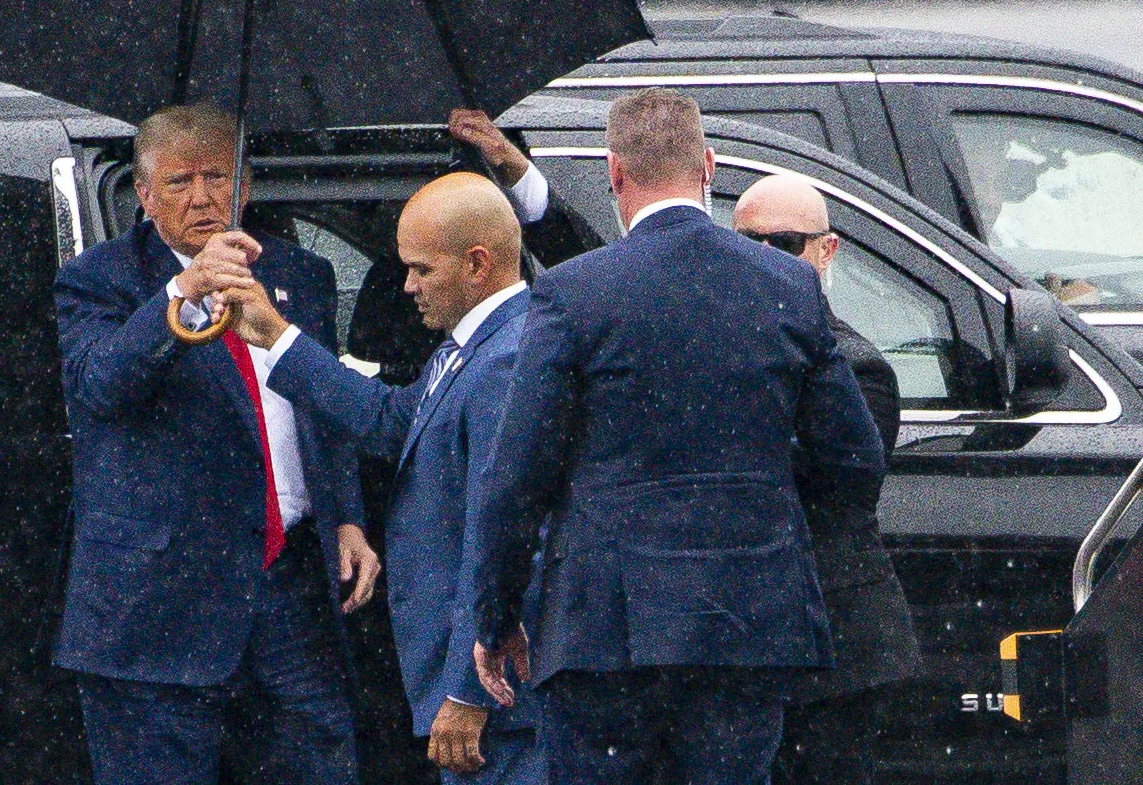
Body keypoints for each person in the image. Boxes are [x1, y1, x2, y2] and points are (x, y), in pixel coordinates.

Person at [468, 87, 886, 785]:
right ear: (709, 166)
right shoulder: (788, 285)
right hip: (745, 622)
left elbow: (516, 476)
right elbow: (854, 460)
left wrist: (496, 615)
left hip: (604, 626)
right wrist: (763, 516)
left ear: (614, 173)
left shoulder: (573, 293)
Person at [50, 104, 380, 785]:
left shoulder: (302, 274)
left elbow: (321, 408)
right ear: (145, 196)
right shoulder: (99, 278)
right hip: (159, 600)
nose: (200, 197)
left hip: (288, 583)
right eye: (179, 182)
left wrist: (347, 514)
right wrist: (186, 290)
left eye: (216, 177)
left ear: (245, 185)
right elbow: (100, 386)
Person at [227, 172, 548, 785]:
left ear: (477, 264)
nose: (406, 287)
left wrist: (468, 690)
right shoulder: (473, 346)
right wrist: (275, 335)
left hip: (495, 700)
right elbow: (391, 421)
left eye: (421, 270)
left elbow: (502, 543)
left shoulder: (506, 361)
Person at [732, 174, 922, 785]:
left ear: (825, 250)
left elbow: (831, 484)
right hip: (746, 643)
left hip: (833, 650)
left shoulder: (856, 365)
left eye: (785, 244)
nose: (764, 258)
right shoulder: (717, 348)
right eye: (748, 243)